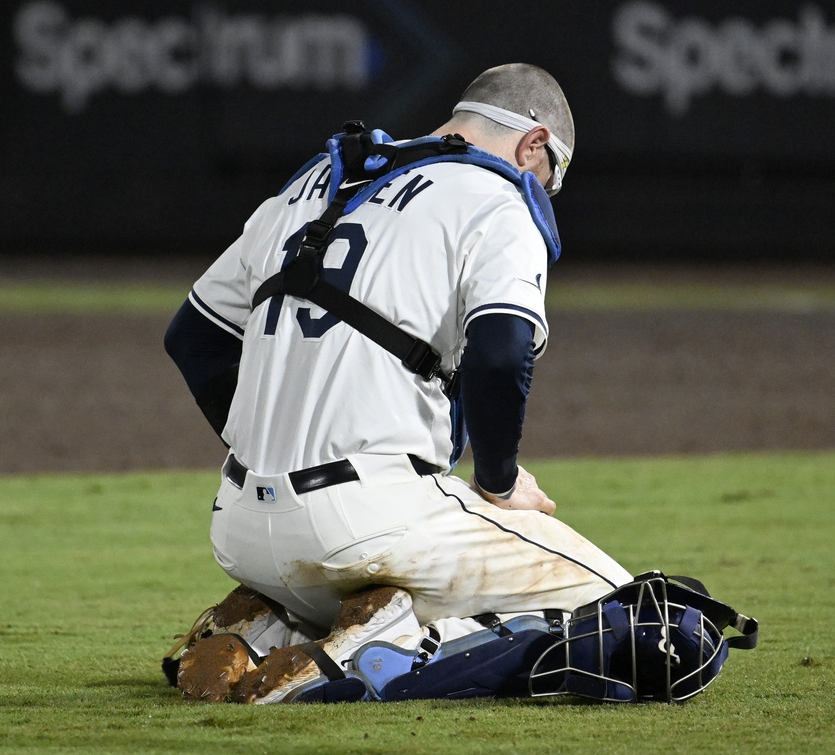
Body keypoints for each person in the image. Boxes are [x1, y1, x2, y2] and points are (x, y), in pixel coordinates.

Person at [163, 63, 633, 703]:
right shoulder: (498, 198)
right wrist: (499, 485)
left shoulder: (317, 180)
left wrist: (267, 445)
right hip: (373, 520)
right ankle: (378, 650)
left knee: (353, 565)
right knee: (624, 611)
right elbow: (501, 355)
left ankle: (267, 628)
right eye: (551, 174)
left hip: (239, 528)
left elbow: (193, 338)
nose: (545, 188)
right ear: (534, 144)